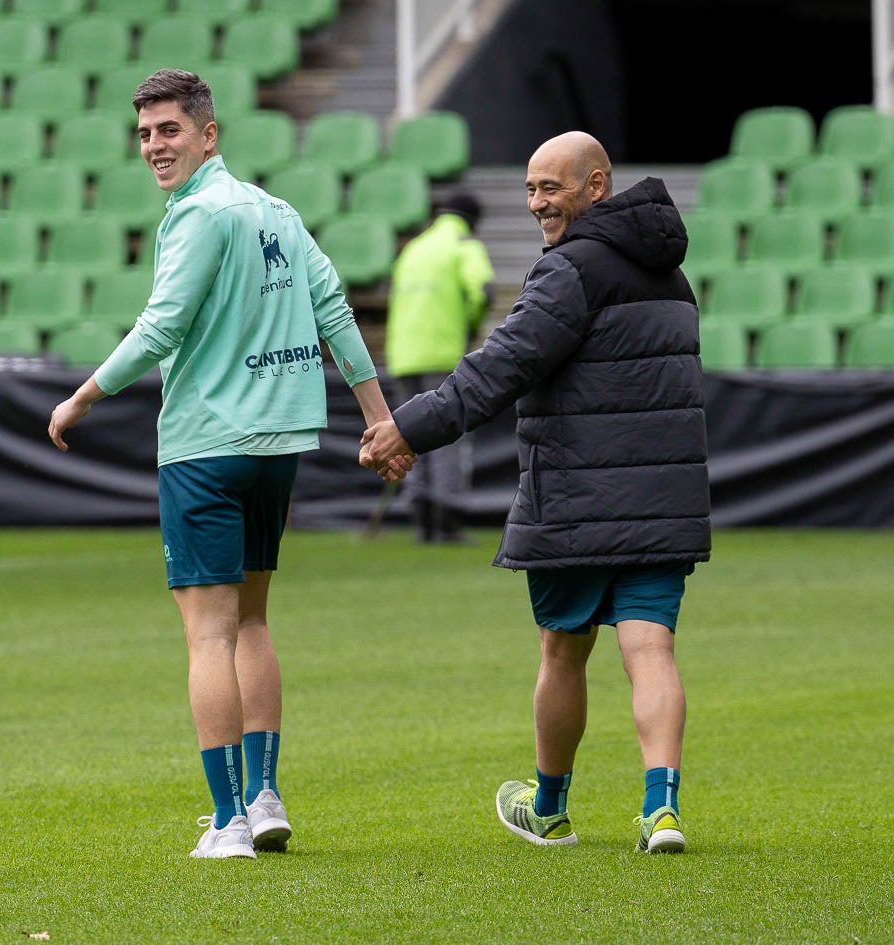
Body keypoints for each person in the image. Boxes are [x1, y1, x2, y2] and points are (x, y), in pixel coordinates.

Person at [47, 69, 397, 859]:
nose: (153, 146)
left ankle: (228, 818)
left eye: (167, 129)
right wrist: (379, 419)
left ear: (209, 134)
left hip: (207, 446)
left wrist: (82, 397)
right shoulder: (275, 211)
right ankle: (264, 796)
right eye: (143, 133)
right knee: (252, 620)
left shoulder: (199, 213)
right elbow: (333, 308)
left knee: (208, 637)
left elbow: (161, 325)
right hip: (276, 447)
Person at [360, 131, 710, 854]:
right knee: (651, 650)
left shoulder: (569, 271)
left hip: (577, 500)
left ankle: (548, 808)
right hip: (661, 496)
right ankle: (661, 809)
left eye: (550, 187)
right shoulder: (671, 276)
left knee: (561, 651)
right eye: (528, 188)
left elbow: (500, 368)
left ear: (596, 186)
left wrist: (407, 430)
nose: (535, 203)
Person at [383, 191, 494, 543]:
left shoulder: (414, 248)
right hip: (442, 354)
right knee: (447, 438)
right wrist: (471, 325)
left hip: (403, 355)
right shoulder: (463, 244)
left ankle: (421, 521)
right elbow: (484, 291)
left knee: (408, 437)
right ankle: (447, 521)